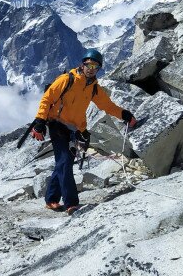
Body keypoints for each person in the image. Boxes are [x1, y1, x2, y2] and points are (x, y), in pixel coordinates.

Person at [31, 48, 138, 215]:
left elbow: (107, 106)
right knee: (65, 161)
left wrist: (124, 115)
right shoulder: (67, 80)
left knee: (62, 163)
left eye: (96, 67)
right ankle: (71, 203)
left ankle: (51, 199)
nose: (92, 69)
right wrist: (39, 123)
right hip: (56, 124)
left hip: (75, 129)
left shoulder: (94, 88)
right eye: (89, 65)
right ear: (83, 64)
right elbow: (47, 99)